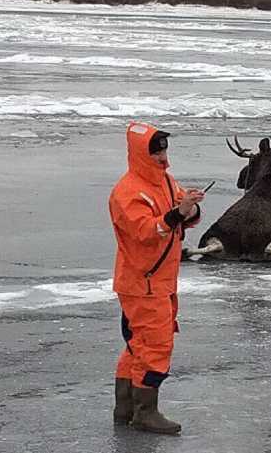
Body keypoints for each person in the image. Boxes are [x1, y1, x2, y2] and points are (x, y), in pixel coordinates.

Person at [108, 122, 204, 435]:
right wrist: (177, 214)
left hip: (159, 281)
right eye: (156, 151)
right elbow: (145, 232)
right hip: (142, 283)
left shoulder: (164, 181)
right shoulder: (127, 193)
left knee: (139, 344)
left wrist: (188, 208)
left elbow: (178, 215)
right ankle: (145, 412)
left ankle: (126, 407)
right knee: (155, 345)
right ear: (141, 153)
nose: (163, 156)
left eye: (164, 149)